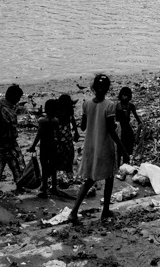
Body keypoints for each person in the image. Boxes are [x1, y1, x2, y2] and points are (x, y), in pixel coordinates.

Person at [69, 74, 126, 225]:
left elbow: (83, 126)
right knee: (109, 178)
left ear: (93, 87)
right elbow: (111, 130)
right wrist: (122, 148)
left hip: (90, 146)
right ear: (107, 88)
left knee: (89, 180)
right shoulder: (109, 105)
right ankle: (105, 210)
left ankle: (74, 212)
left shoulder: (87, 104)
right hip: (105, 146)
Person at [28, 99, 60, 198]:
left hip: (44, 146)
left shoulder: (42, 121)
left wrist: (33, 146)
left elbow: (39, 135)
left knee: (44, 167)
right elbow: (58, 135)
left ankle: (45, 187)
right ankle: (54, 186)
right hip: (53, 145)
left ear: (45, 109)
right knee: (53, 167)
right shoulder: (56, 121)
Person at [55, 94, 80, 186]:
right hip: (61, 138)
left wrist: (76, 132)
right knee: (62, 157)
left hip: (66, 137)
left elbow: (72, 120)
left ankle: (66, 175)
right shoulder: (58, 111)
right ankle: (63, 176)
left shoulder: (68, 110)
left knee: (68, 156)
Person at [115, 86, 143, 165]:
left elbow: (137, 118)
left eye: (126, 95)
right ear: (121, 96)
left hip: (127, 128)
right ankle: (118, 167)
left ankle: (125, 166)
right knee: (119, 150)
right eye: (124, 95)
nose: (125, 97)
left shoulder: (131, 106)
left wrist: (141, 125)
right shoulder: (117, 106)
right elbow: (114, 119)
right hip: (120, 128)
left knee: (128, 149)